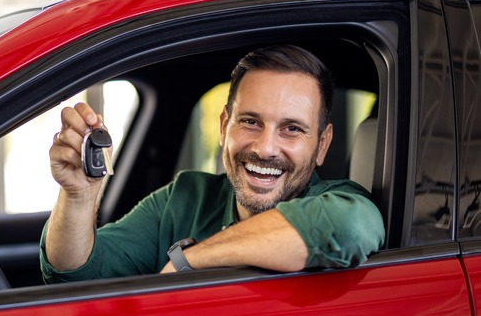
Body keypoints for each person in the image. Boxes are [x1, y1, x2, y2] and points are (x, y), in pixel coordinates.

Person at [40, 45, 384, 283]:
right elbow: (77, 274)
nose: (265, 149)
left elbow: (350, 228)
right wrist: (78, 196)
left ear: (321, 145)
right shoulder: (184, 199)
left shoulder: (340, 201)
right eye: (250, 122)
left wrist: (190, 260)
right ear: (224, 127)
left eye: (291, 129)